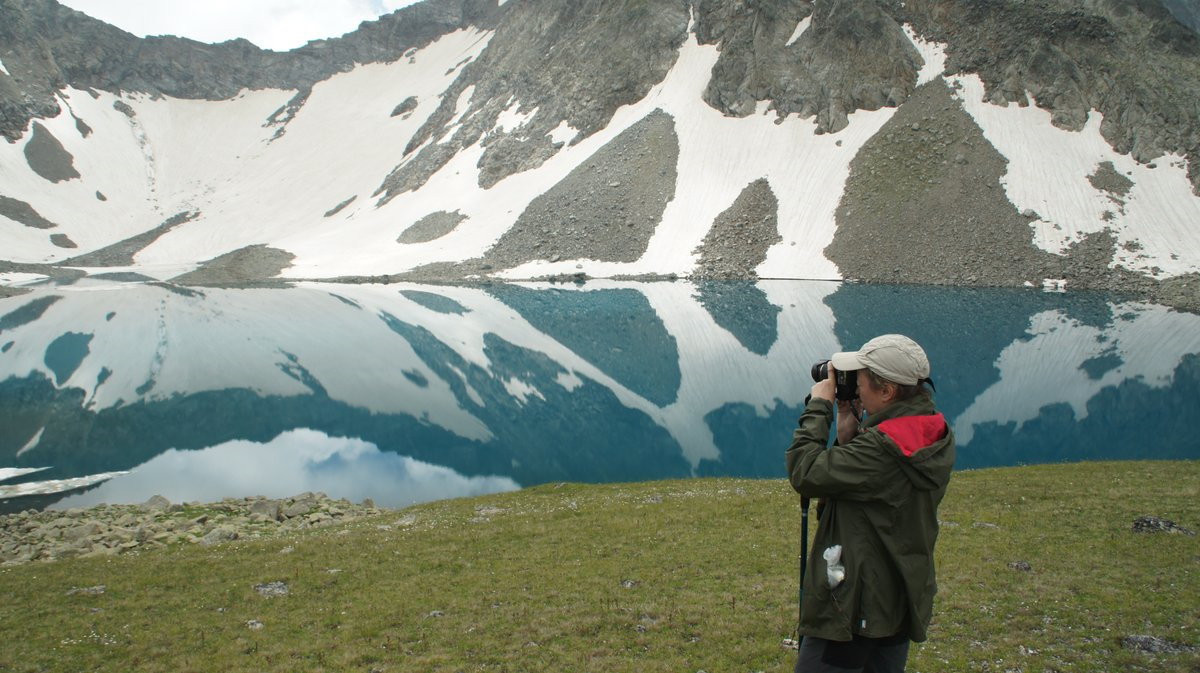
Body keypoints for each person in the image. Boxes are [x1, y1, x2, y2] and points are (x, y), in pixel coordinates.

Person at [785, 334, 955, 673]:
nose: (854, 387)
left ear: (887, 391)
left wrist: (820, 407)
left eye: (860, 379)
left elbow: (804, 471)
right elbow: (873, 494)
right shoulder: (930, 431)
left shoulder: (881, 450)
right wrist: (851, 436)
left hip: (854, 606)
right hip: (898, 597)